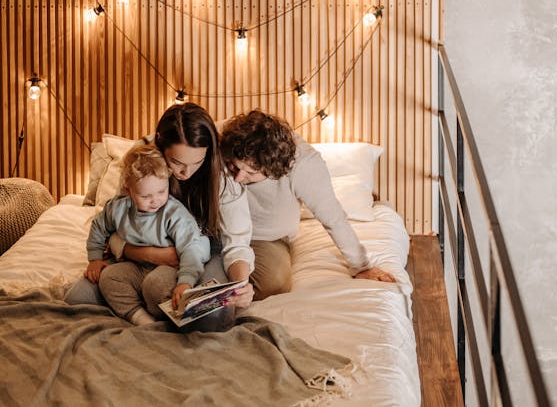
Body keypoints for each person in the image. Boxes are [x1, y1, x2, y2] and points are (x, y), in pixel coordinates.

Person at [65, 103, 255, 324]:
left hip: (201, 254)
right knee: (76, 299)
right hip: (141, 253)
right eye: (176, 162)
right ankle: (144, 309)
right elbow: (119, 221)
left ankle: (154, 304)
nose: (186, 172)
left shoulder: (222, 176)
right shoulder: (140, 162)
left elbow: (237, 243)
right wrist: (151, 254)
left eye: (197, 162)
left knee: (212, 317)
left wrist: (241, 285)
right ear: (160, 146)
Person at [219, 110, 396, 301]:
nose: (237, 177)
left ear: (272, 168)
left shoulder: (304, 164)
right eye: (233, 167)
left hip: (263, 237)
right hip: (214, 225)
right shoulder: (224, 141)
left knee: (274, 285)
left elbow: (333, 217)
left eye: (250, 172)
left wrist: (362, 266)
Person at [85, 144, 210, 325]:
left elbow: (191, 248)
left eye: (161, 191)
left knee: (155, 286)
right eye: (146, 196)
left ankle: (164, 316)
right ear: (128, 191)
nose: (155, 201)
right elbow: (98, 226)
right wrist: (94, 258)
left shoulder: (174, 213)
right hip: (136, 266)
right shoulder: (117, 208)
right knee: (108, 278)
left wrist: (186, 282)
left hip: (170, 268)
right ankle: (140, 317)